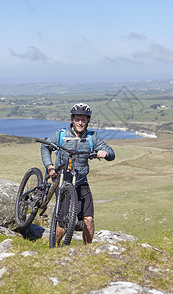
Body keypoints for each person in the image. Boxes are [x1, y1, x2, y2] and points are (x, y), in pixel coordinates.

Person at [41, 103, 115, 245]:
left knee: (88, 220)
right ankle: (54, 248)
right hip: (63, 181)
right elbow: (45, 146)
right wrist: (49, 166)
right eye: (77, 119)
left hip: (81, 181)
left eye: (83, 119)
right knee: (63, 226)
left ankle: (88, 251)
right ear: (72, 119)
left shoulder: (92, 137)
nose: (80, 122)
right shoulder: (61, 134)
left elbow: (112, 153)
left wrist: (105, 153)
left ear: (88, 120)